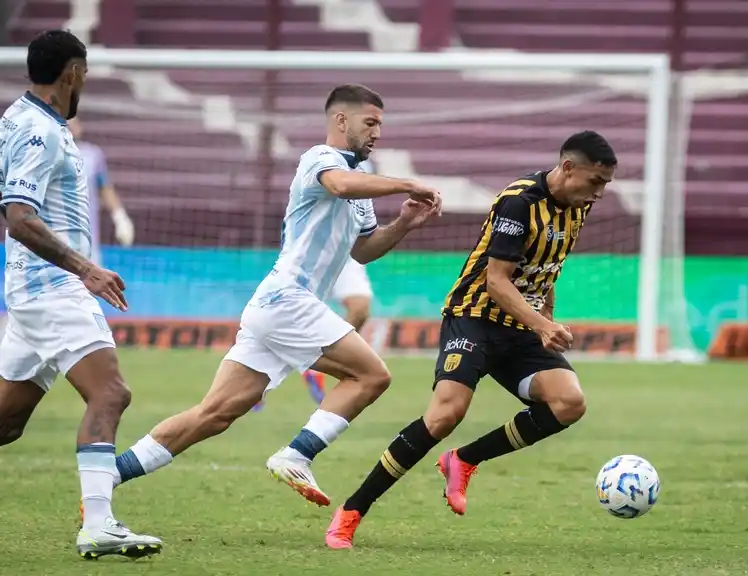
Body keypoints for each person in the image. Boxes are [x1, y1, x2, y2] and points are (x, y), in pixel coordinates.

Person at [110, 85, 443, 510]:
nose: (378, 132)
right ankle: (297, 454)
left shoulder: (363, 178)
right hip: (289, 300)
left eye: (381, 124)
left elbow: (363, 249)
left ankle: (107, 476)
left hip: (279, 306)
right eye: (370, 122)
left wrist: (403, 225)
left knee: (214, 414)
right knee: (371, 375)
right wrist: (407, 183)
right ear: (341, 121)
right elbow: (339, 185)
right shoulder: (321, 160)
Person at [324, 131, 617, 549]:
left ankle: (463, 460)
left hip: (521, 325)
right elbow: (496, 282)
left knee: (569, 403)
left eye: (605, 184)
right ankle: (351, 512)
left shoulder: (577, 205)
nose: (600, 193)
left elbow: (546, 263)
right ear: (568, 167)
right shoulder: (519, 201)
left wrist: (547, 314)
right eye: (596, 181)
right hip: (474, 317)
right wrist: (542, 325)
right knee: (445, 415)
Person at [0, 30, 162, 559]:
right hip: (53, 287)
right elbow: (19, 217)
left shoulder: (26, 121)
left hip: (33, 289)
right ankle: (99, 524)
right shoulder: (37, 131)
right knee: (111, 393)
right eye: (85, 73)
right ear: (71, 72)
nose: (85, 82)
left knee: (8, 420)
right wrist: (84, 267)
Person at [300, 158, 377, 405]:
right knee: (286, 320)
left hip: (347, 253)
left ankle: (314, 365)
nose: (373, 133)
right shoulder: (324, 160)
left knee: (360, 308)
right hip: (315, 253)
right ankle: (258, 378)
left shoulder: (367, 167)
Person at [66, 118, 134, 262]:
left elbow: (105, 187)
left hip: (86, 241)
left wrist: (120, 217)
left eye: (74, 122)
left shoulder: (93, 155)